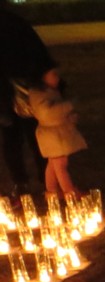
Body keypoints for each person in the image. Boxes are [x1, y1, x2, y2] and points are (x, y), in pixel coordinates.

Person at [0, 0, 56, 196]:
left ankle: (30, 180)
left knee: (19, 136)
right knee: (25, 136)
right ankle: (34, 180)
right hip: (18, 90)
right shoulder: (16, 22)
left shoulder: (14, 23)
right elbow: (38, 52)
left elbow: (36, 52)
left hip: (21, 90)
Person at [24, 69, 86, 198]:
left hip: (56, 133)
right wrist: (69, 105)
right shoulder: (39, 95)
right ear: (42, 78)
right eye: (54, 75)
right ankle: (69, 193)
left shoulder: (49, 92)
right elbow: (49, 113)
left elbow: (57, 113)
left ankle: (51, 192)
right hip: (52, 135)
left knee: (53, 164)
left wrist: (70, 117)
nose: (57, 78)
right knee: (60, 165)